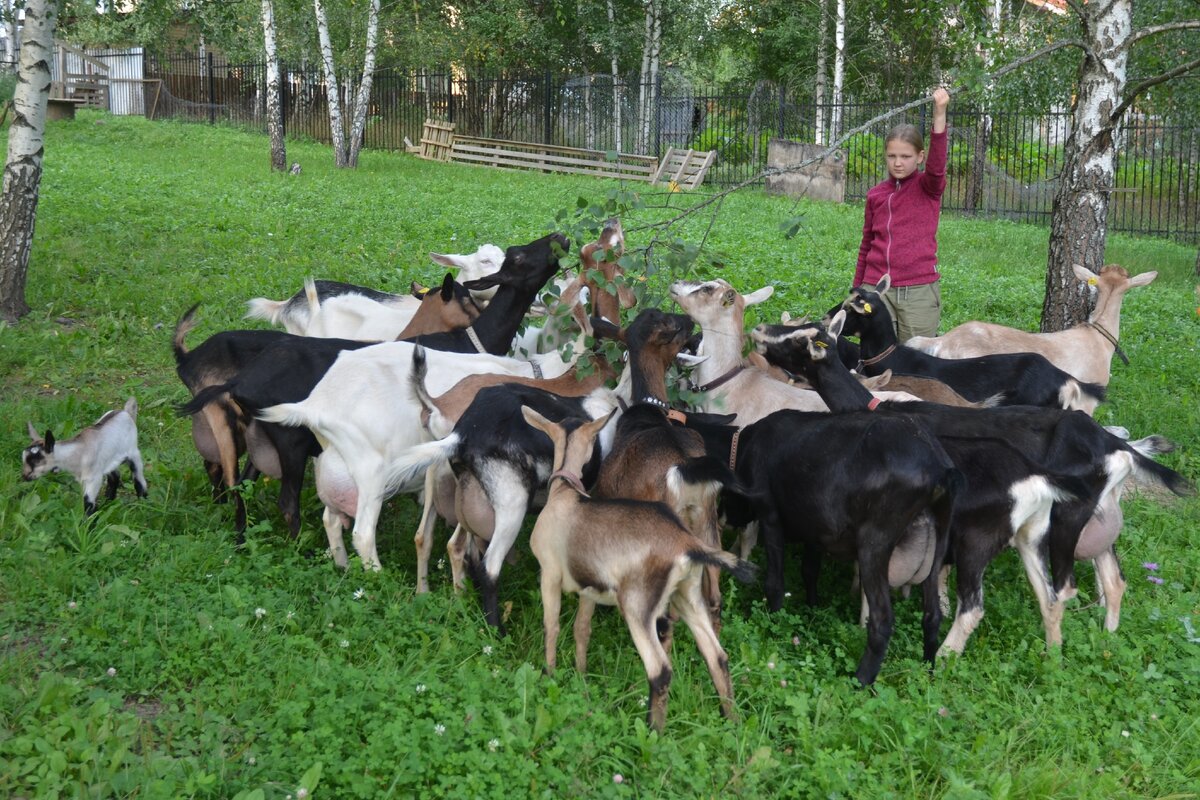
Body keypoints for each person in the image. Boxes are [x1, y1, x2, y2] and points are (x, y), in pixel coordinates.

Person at [853, 87, 950, 342]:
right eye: (892, 156)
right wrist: (858, 288)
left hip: (917, 291)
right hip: (876, 290)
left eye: (906, 156)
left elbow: (938, 167)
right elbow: (866, 244)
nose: (898, 162)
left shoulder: (927, 188)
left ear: (919, 157)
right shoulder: (876, 195)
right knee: (876, 359)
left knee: (914, 363)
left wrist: (939, 115)